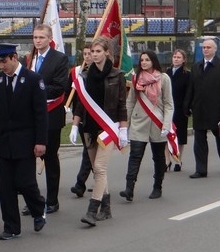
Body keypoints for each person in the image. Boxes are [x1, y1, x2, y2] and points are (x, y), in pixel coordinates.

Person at [0, 43, 48, 240]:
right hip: (4, 142)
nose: (1, 66)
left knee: (26, 182)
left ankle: (38, 209)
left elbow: (40, 114)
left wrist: (41, 141)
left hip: (26, 141)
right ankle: (11, 227)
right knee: (7, 187)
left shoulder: (32, 80)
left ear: (14, 57)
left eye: (4, 61)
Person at [71, 36, 128, 225]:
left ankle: (92, 210)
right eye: (92, 52)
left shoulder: (117, 75)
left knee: (100, 168)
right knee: (97, 171)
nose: (94, 55)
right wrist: (74, 124)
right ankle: (107, 207)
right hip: (88, 127)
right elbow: (81, 104)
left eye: (98, 51)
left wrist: (123, 129)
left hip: (107, 128)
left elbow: (121, 105)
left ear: (107, 53)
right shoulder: (85, 75)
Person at [26, 25, 70, 214]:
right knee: (28, 160)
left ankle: (52, 200)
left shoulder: (60, 59)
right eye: (35, 37)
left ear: (50, 38)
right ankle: (33, 200)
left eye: (42, 37)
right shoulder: (29, 59)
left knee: (50, 158)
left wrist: (34, 93)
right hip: (30, 117)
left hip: (51, 115)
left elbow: (59, 87)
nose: (38, 41)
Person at [121, 51, 173, 201]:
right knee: (135, 156)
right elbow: (130, 102)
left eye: (147, 60)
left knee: (158, 157)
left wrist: (167, 124)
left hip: (158, 123)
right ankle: (129, 189)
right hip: (139, 122)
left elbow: (169, 104)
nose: (143, 62)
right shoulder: (136, 78)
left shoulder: (163, 79)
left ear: (153, 61)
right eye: (142, 60)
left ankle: (158, 186)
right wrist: (126, 125)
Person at [185, 38, 220, 178]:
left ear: (215, 49)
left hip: (217, 110)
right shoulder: (196, 66)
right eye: (204, 47)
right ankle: (201, 169)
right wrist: (187, 106)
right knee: (199, 139)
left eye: (208, 47)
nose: (205, 50)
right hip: (199, 109)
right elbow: (191, 88)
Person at [70, 43, 94, 196]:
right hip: (80, 116)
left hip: (95, 116)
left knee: (89, 150)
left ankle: (80, 183)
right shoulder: (78, 72)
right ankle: (94, 181)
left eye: (90, 53)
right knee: (90, 151)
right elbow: (70, 93)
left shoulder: (98, 74)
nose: (87, 56)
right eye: (85, 54)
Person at [165, 49, 190, 171]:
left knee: (179, 136)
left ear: (184, 60)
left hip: (180, 109)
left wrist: (187, 107)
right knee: (166, 134)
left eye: (179, 57)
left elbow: (189, 92)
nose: (176, 59)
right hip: (167, 109)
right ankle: (167, 160)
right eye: (174, 57)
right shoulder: (167, 73)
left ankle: (178, 160)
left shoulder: (187, 74)